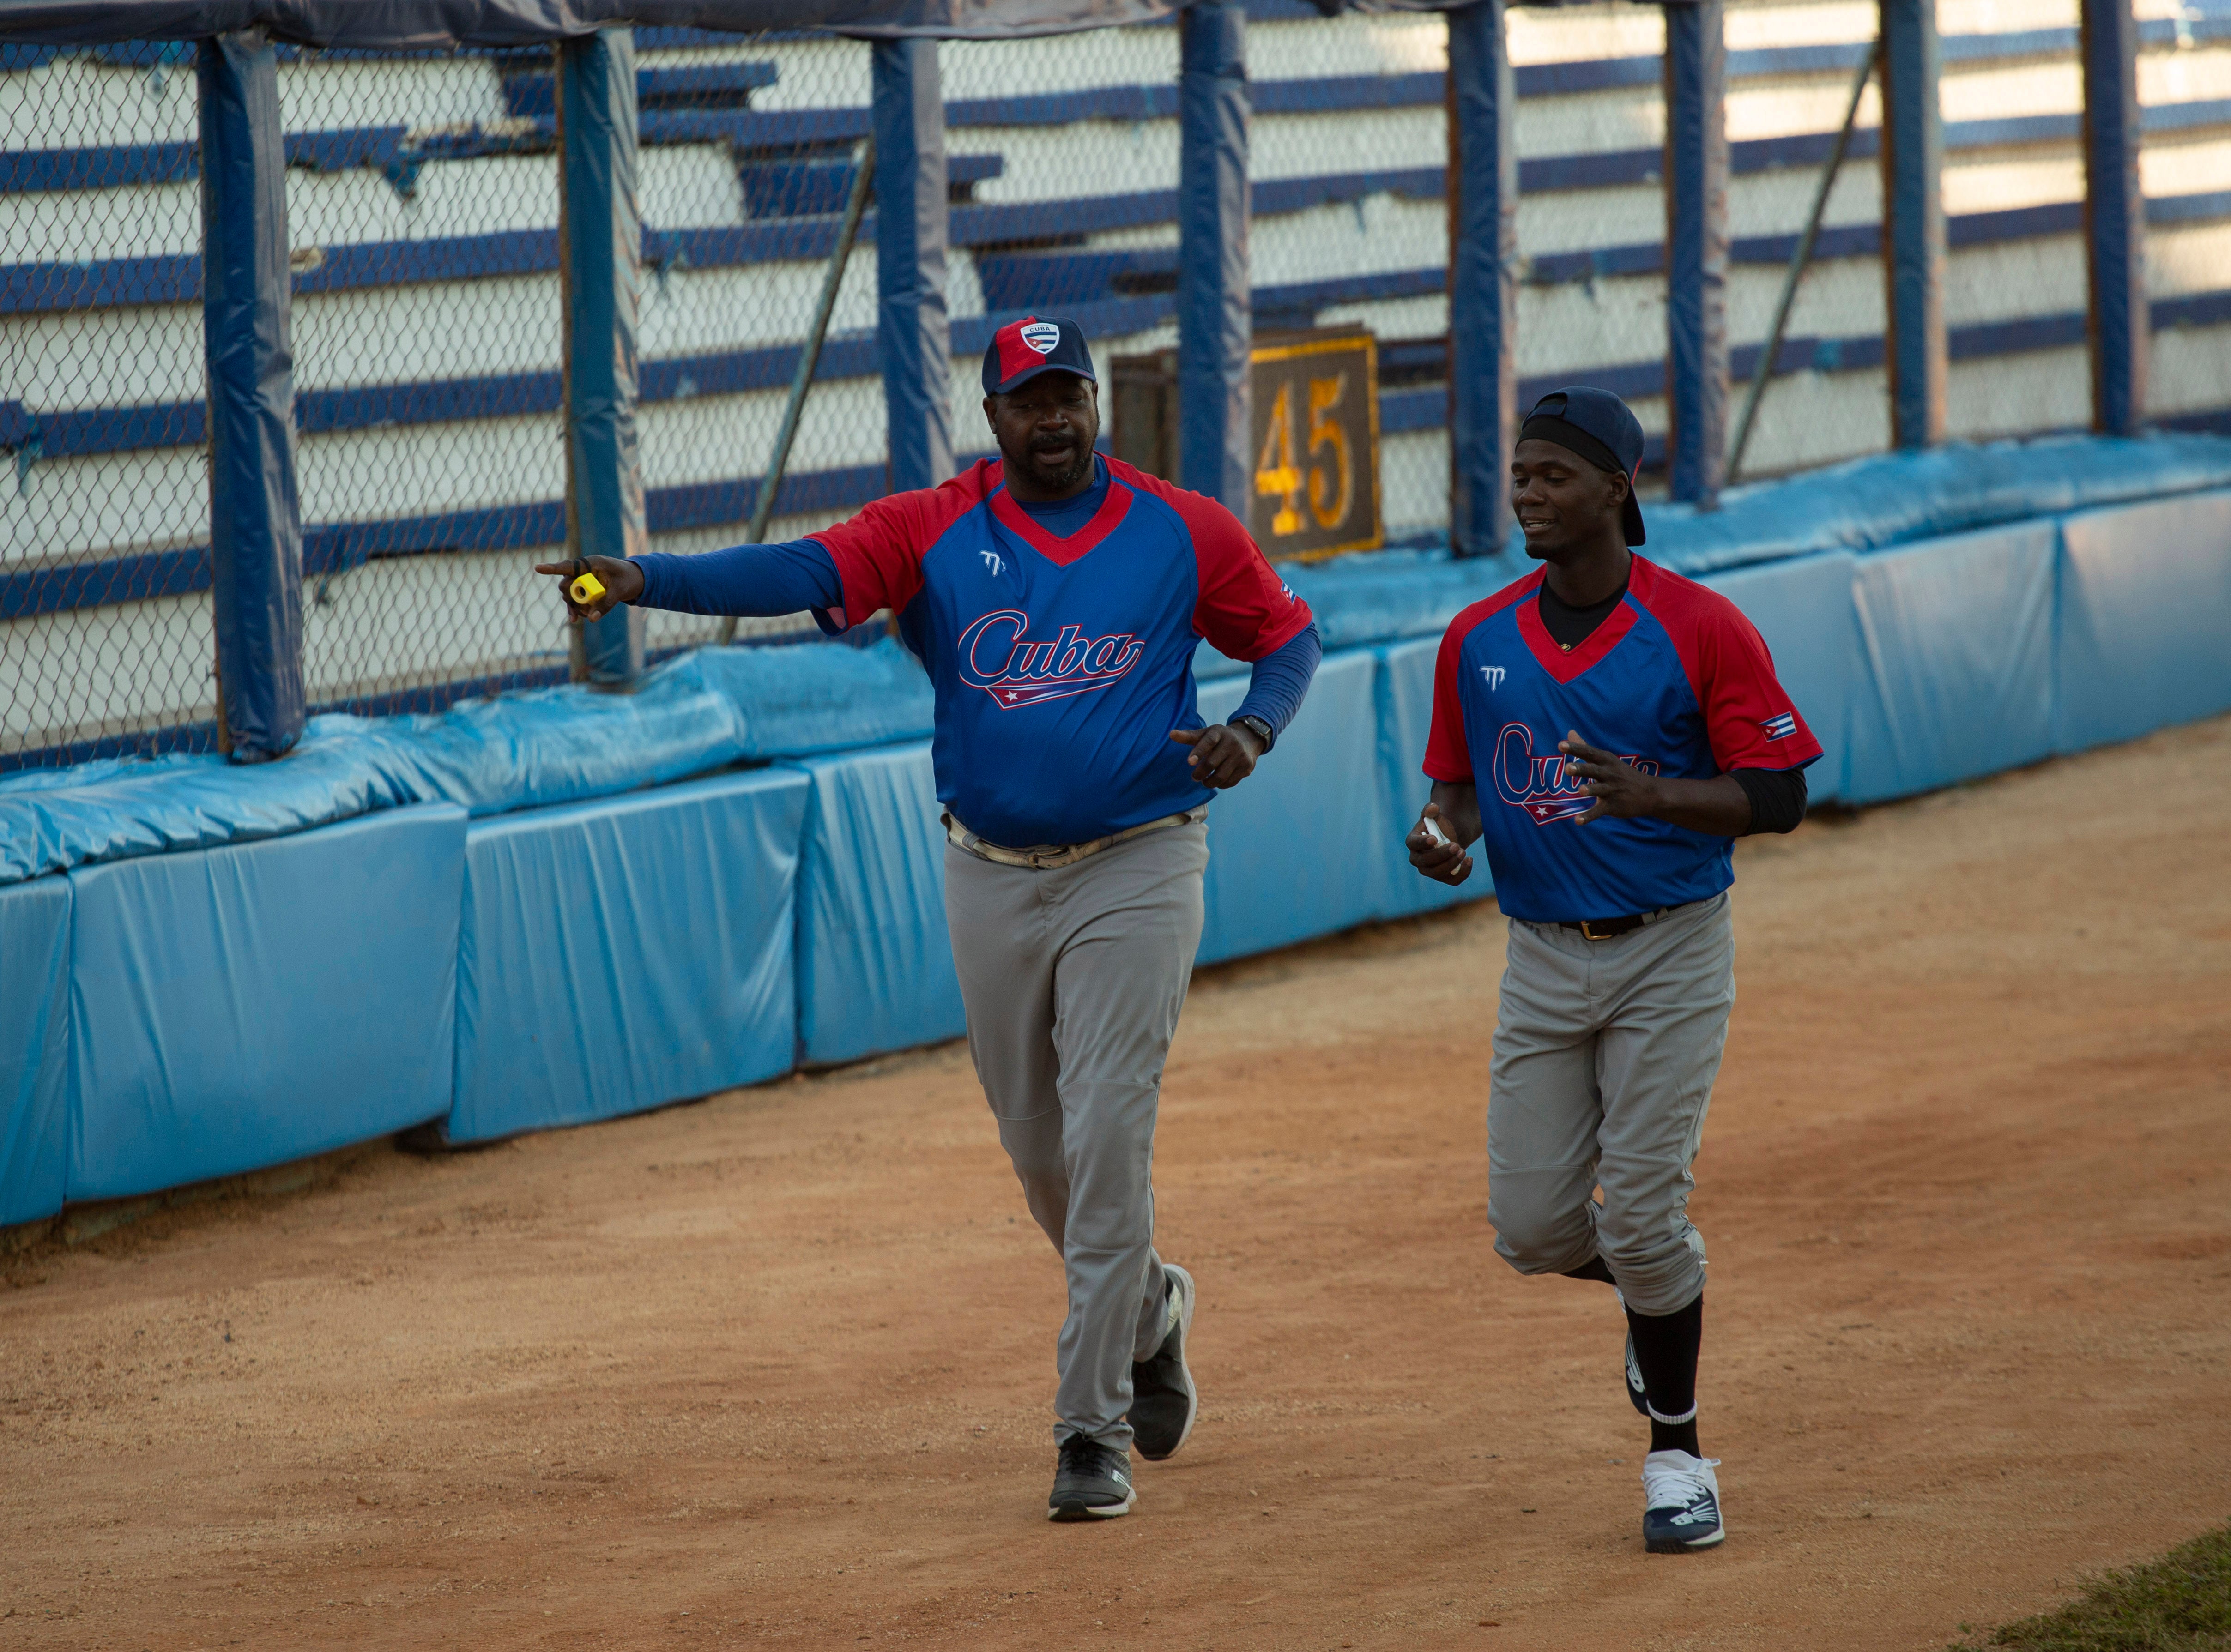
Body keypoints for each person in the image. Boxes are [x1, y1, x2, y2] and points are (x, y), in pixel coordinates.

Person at [538, 315, 1322, 1523]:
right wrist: (649, 581)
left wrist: (1254, 731)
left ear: (1095, 405)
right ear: (993, 414)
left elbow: (1285, 634)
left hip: (1142, 862)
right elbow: (807, 572)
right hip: (990, 870)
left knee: (1111, 1133)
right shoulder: (935, 529)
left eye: (1071, 396)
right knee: (1041, 1154)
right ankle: (1151, 1308)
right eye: (1028, 399)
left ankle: (1088, 1430)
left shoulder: (1180, 527)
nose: (1052, 418)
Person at [1404, 387, 1819, 1554]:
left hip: (1671, 946)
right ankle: (1655, 1303)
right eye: (1521, 474)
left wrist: (1659, 796)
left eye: (1551, 475)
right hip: (1539, 955)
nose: (1527, 493)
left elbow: (1780, 794)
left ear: (1615, 490)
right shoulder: (1477, 639)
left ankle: (1678, 1458)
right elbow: (1460, 788)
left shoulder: (1700, 627)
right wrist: (1443, 834)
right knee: (1532, 1229)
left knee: (1640, 1210)